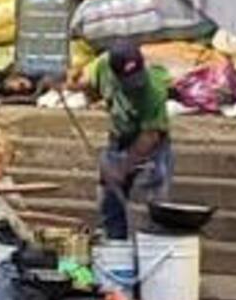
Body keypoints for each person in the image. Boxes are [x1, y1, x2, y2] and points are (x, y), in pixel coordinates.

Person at [72, 42, 174, 240]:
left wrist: (123, 168)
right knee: (110, 205)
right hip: (119, 138)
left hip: (151, 146)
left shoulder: (153, 91)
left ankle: (145, 254)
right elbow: (87, 82)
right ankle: (114, 251)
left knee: (148, 209)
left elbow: (150, 136)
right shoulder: (102, 66)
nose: (133, 87)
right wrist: (68, 82)